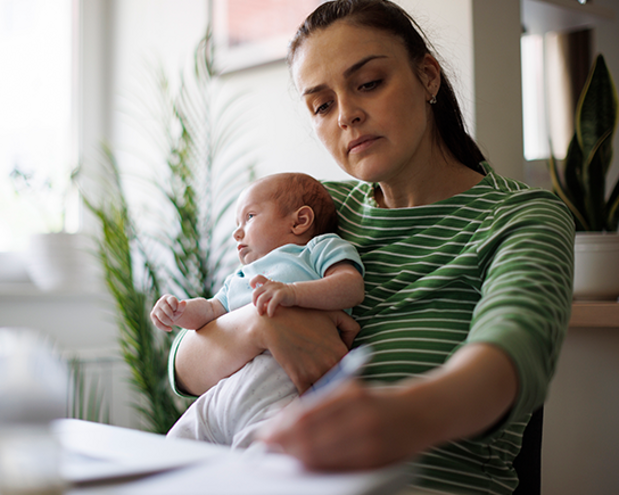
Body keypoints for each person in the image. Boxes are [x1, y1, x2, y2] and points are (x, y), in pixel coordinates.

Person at [169, 1, 574, 493]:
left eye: (369, 84)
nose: (347, 115)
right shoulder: (314, 213)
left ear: (428, 77)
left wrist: (403, 416)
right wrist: (262, 325)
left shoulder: (520, 217)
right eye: (322, 105)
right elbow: (187, 364)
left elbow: (511, 361)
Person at [151, 172, 365, 448]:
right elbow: (211, 311)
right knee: (172, 451)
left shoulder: (316, 249)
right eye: (237, 223)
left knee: (262, 462)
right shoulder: (240, 276)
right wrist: (179, 311)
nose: (237, 232)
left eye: (249, 217)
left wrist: (292, 293)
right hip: (225, 389)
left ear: (299, 221)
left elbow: (351, 287)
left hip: (282, 380)